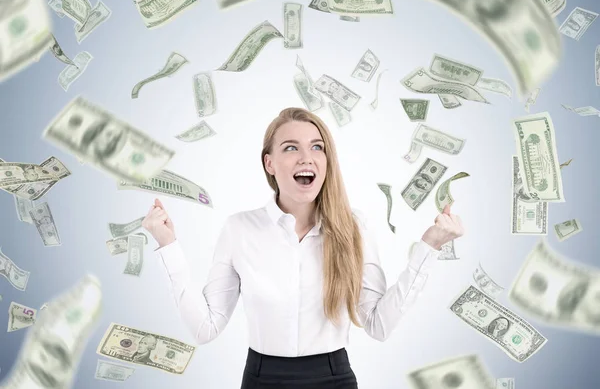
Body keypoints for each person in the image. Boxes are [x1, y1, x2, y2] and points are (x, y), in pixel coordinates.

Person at [143, 107, 465, 388]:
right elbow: (206, 328)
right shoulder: (239, 229)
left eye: (316, 147)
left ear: (327, 160)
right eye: (290, 148)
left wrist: (429, 247)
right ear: (269, 163)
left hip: (333, 377)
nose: (306, 157)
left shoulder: (354, 227)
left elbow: (378, 324)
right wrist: (167, 245)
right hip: (261, 378)